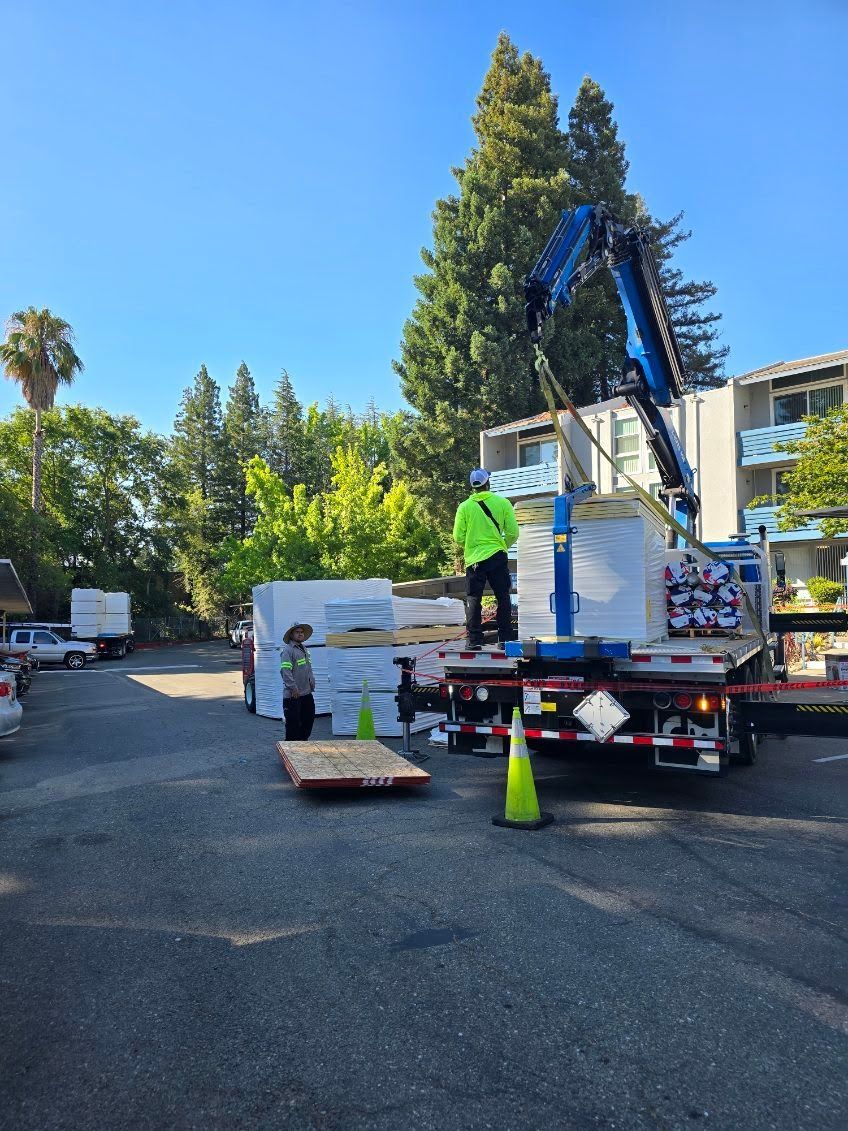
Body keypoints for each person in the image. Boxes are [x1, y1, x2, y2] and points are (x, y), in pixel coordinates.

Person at [453, 468, 519, 648]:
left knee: (474, 599)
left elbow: (458, 537)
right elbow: (513, 532)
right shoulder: (503, 503)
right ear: (487, 483)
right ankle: (504, 639)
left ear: (473, 487)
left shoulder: (464, 507)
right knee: (503, 596)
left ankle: (474, 641)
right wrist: (502, 546)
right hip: (497, 556)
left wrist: (472, 546)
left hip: (475, 560)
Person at [280, 622, 316, 741]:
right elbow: (285, 671)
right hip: (293, 695)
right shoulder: (288, 650)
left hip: (306, 693)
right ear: (291, 635)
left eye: (301, 632)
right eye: (297, 632)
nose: (300, 634)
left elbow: (308, 668)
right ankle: (290, 749)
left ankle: (302, 746)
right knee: (293, 727)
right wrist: (293, 687)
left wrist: (312, 682)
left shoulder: (304, 649)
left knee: (308, 721)